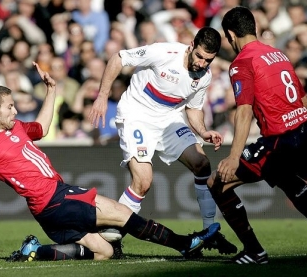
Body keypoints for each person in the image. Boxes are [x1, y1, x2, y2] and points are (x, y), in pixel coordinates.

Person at [0, 62, 222, 262]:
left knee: (104, 251)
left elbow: (42, 128)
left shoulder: (16, 127)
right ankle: (184, 245)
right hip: (55, 198)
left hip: (47, 210)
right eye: (10, 107)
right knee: (123, 214)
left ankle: (36, 251)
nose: (15, 111)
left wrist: (52, 90)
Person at [88, 26, 237, 255]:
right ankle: (111, 235)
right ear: (191, 47)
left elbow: (194, 110)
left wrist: (204, 131)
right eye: (199, 56)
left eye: (208, 60)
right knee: (143, 182)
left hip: (169, 119)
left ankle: (210, 233)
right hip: (136, 116)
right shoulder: (163, 53)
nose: (201, 63)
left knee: (202, 164)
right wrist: (102, 95)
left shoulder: (204, 76)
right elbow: (118, 58)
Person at [206, 6, 307, 265]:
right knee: (284, 176)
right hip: (302, 133)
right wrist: (305, 131)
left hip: (280, 140)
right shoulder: (278, 54)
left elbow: (243, 112)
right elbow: (304, 101)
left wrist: (233, 157)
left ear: (231, 34)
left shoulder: (242, 62)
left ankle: (254, 250)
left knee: (216, 184)